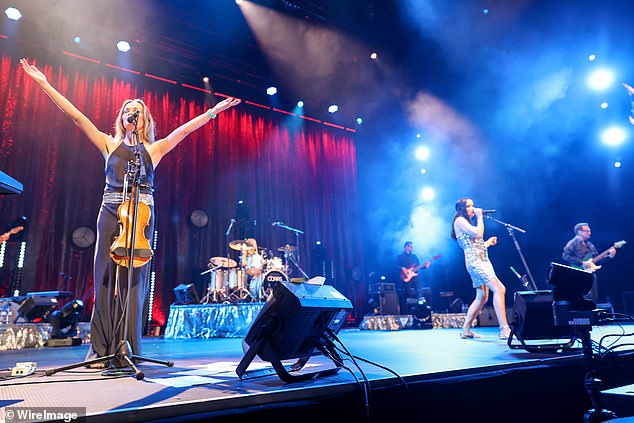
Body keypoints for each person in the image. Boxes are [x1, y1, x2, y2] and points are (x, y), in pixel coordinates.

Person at [20, 58, 241, 368]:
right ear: (122, 118)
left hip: (142, 217)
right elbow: (75, 115)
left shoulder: (155, 149)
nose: (130, 115)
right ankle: (101, 349)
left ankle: (127, 347)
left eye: (135, 112)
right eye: (126, 111)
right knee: (106, 280)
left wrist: (213, 112)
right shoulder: (108, 144)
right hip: (110, 211)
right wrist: (44, 84)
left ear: (143, 120)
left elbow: (185, 130)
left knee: (134, 283)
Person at [451, 198, 510, 340]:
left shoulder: (465, 222)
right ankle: (504, 329)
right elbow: (478, 234)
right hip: (476, 263)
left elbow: (476, 245)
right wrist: (479, 217)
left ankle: (465, 329)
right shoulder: (459, 221)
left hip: (481, 260)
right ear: (462, 209)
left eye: (473, 205)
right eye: (470, 206)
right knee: (500, 289)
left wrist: (488, 243)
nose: (474, 208)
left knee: (482, 297)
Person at [562, 222, 616, 303]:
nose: (589, 233)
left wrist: (610, 256)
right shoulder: (572, 243)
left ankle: (592, 313)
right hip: (578, 272)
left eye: (589, 231)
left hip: (590, 273)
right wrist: (582, 263)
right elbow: (565, 256)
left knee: (593, 296)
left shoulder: (590, 245)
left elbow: (598, 260)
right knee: (580, 296)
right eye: (587, 231)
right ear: (579, 231)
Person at [396, 241, 430, 314]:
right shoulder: (400, 256)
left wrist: (425, 267)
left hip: (414, 277)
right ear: (406, 247)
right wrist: (402, 268)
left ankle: (421, 309)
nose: (410, 248)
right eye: (409, 246)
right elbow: (395, 266)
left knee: (419, 290)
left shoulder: (414, 256)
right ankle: (405, 312)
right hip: (405, 278)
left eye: (411, 246)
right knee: (406, 293)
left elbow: (418, 267)